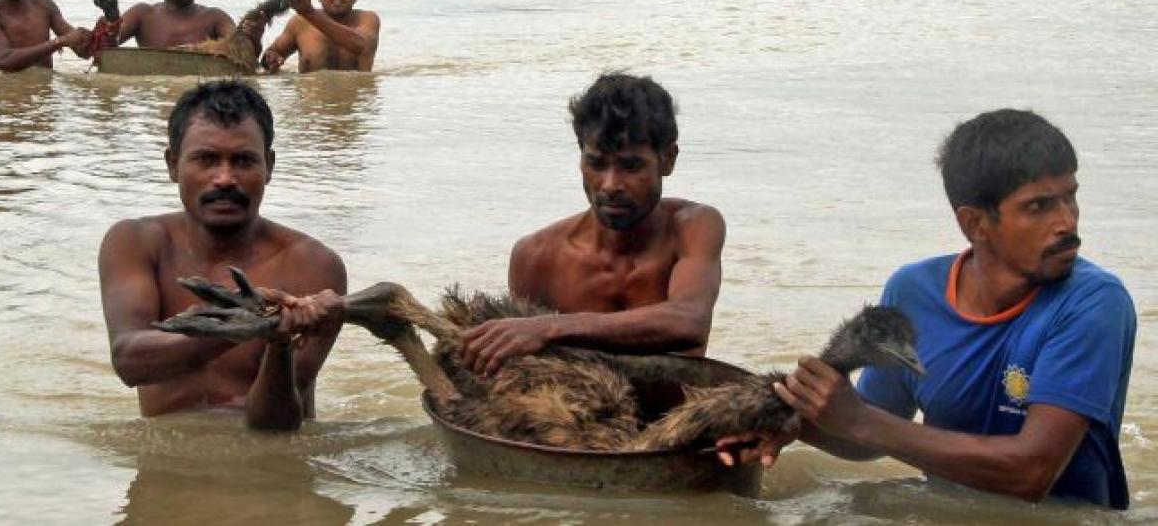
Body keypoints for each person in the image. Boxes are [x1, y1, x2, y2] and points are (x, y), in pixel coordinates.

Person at [719, 109, 1136, 510]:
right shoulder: (913, 292)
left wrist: (860, 420)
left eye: (1070, 197)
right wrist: (797, 425)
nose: (1067, 222)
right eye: (1038, 206)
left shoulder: (1094, 303)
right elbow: (868, 435)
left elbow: (1033, 472)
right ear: (974, 224)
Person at [99, 80, 346, 431]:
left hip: (265, 458)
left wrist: (278, 343)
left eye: (243, 160)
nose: (225, 178)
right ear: (173, 164)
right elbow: (129, 361)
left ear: (269, 166)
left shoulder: (312, 264)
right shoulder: (135, 243)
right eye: (207, 159)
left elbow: (275, 428)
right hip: (167, 456)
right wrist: (244, 324)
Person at [460, 72, 726, 376]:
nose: (610, 184)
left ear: (667, 159)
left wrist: (550, 327)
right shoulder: (535, 258)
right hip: (582, 406)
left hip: (680, 408)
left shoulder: (693, 228)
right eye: (596, 164)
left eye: (630, 166)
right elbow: (523, 370)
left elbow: (689, 321)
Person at [261, 0, 380, 73]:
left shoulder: (367, 19)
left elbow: (361, 45)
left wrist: (309, 13)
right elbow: (270, 55)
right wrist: (272, 59)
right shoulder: (300, 22)